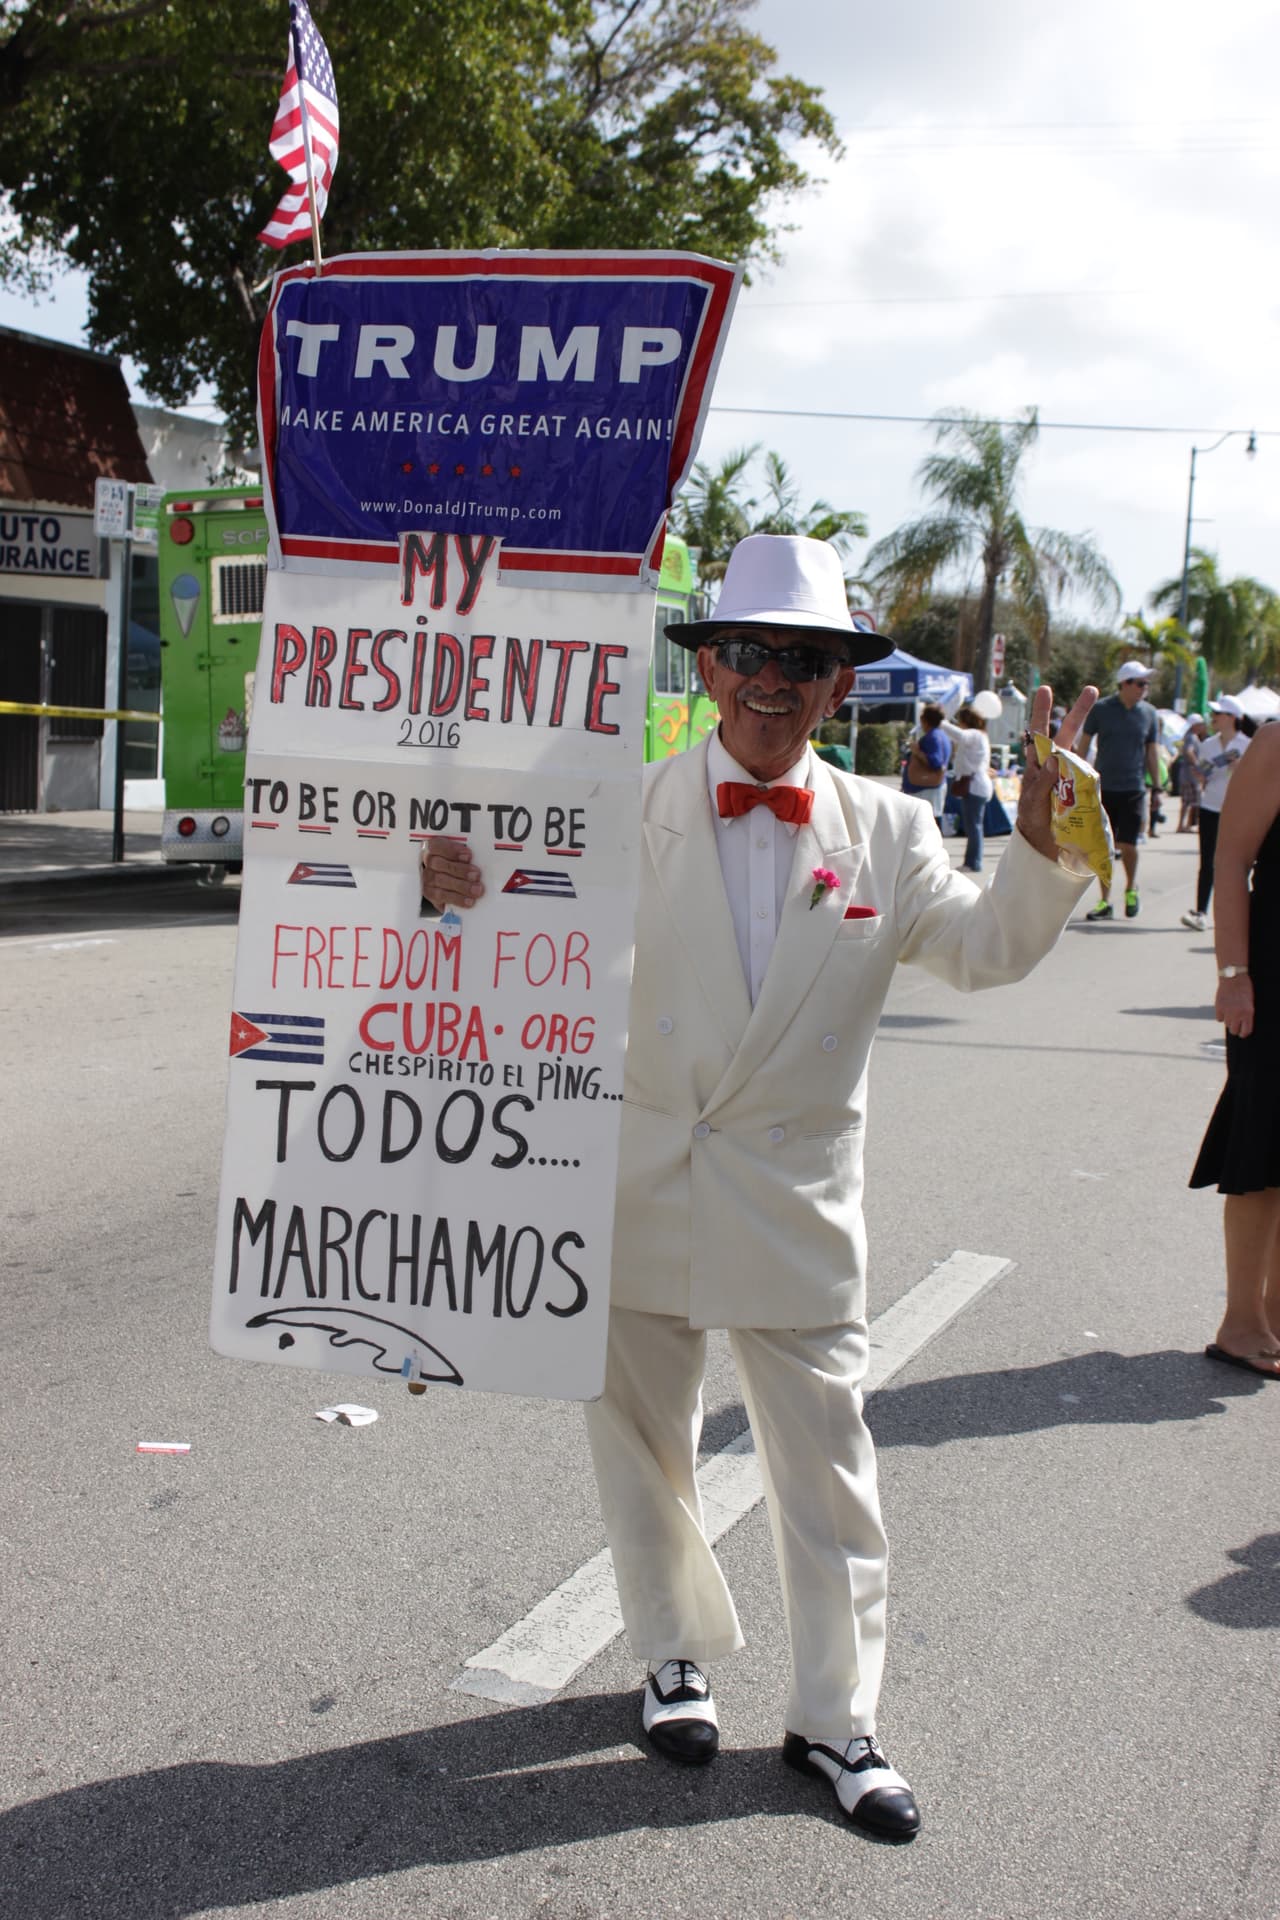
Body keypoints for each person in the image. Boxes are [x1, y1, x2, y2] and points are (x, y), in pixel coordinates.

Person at [419, 534, 1096, 1842]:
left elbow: (981, 951)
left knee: (828, 1472)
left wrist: (1045, 854)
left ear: (841, 686)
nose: (771, 680)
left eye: (803, 659)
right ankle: (671, 1656)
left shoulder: (892, 831)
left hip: (794, 1200)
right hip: (640, 1179)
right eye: (749, 653)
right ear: (711, 669)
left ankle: (837, 1722)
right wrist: (457, 894)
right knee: (640, 1441)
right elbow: (525, 921)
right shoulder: (629, 801)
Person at [1189, 718, 1280, 1377]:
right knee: (1262, 1148)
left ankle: (1275, 1316)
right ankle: (1242, 1323)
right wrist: (1233, 973)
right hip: (1272, 981)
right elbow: (1229, 857)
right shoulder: (1278, 743)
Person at [1078, 660, 1160, 920]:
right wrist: (1079, 777)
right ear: (1124, 684)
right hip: (1104, 788)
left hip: (1134, 787)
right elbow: (1084, 744)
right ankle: (1105, 901)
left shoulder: (1149, 713)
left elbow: (1152, 751)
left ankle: (1131, 888)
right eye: (1140, 683)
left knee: (1128, 844)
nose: (1144, 688)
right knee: (1104, 848)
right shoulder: (1101, 710)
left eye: (1146, 683)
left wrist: (1157, 787)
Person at [1180, 697, 1255, 932]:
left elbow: (1258, 781)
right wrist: (1201, 773)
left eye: (1218, 714)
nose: (1213, 718)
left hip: (1239, 811)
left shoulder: (1249, 744)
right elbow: (1204, 774)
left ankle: (1239, 915)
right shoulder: (1209, 744)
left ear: (1233, 718)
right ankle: (1200, 912)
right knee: (1207, 862)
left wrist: (1240, 768)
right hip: (1211, 807)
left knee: (1238, 864)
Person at [940, 701, 994, 873]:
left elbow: (959, 736)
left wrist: (940, 721)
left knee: (974, 826)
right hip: (977, 785)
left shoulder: (974, 735)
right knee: (973, 826)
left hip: (975, 786)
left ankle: (973, 863)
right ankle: (971, 861)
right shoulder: (980, 735)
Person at [900, 701, 950, 822]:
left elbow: (936, 762)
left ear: (925, 720)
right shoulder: (941, 735)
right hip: (929, 789)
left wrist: (917, 752)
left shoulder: (933, 737)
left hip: (925, 791)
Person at [1174, 716, 1207, 834]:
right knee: (1193, 801)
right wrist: (1198, 765)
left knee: (1187, 801)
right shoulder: (1191, 737)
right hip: (1191, 774)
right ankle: (1186, 825)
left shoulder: (1188, 736)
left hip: (1186, 772)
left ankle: (1184, 824)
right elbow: (1189, 751)